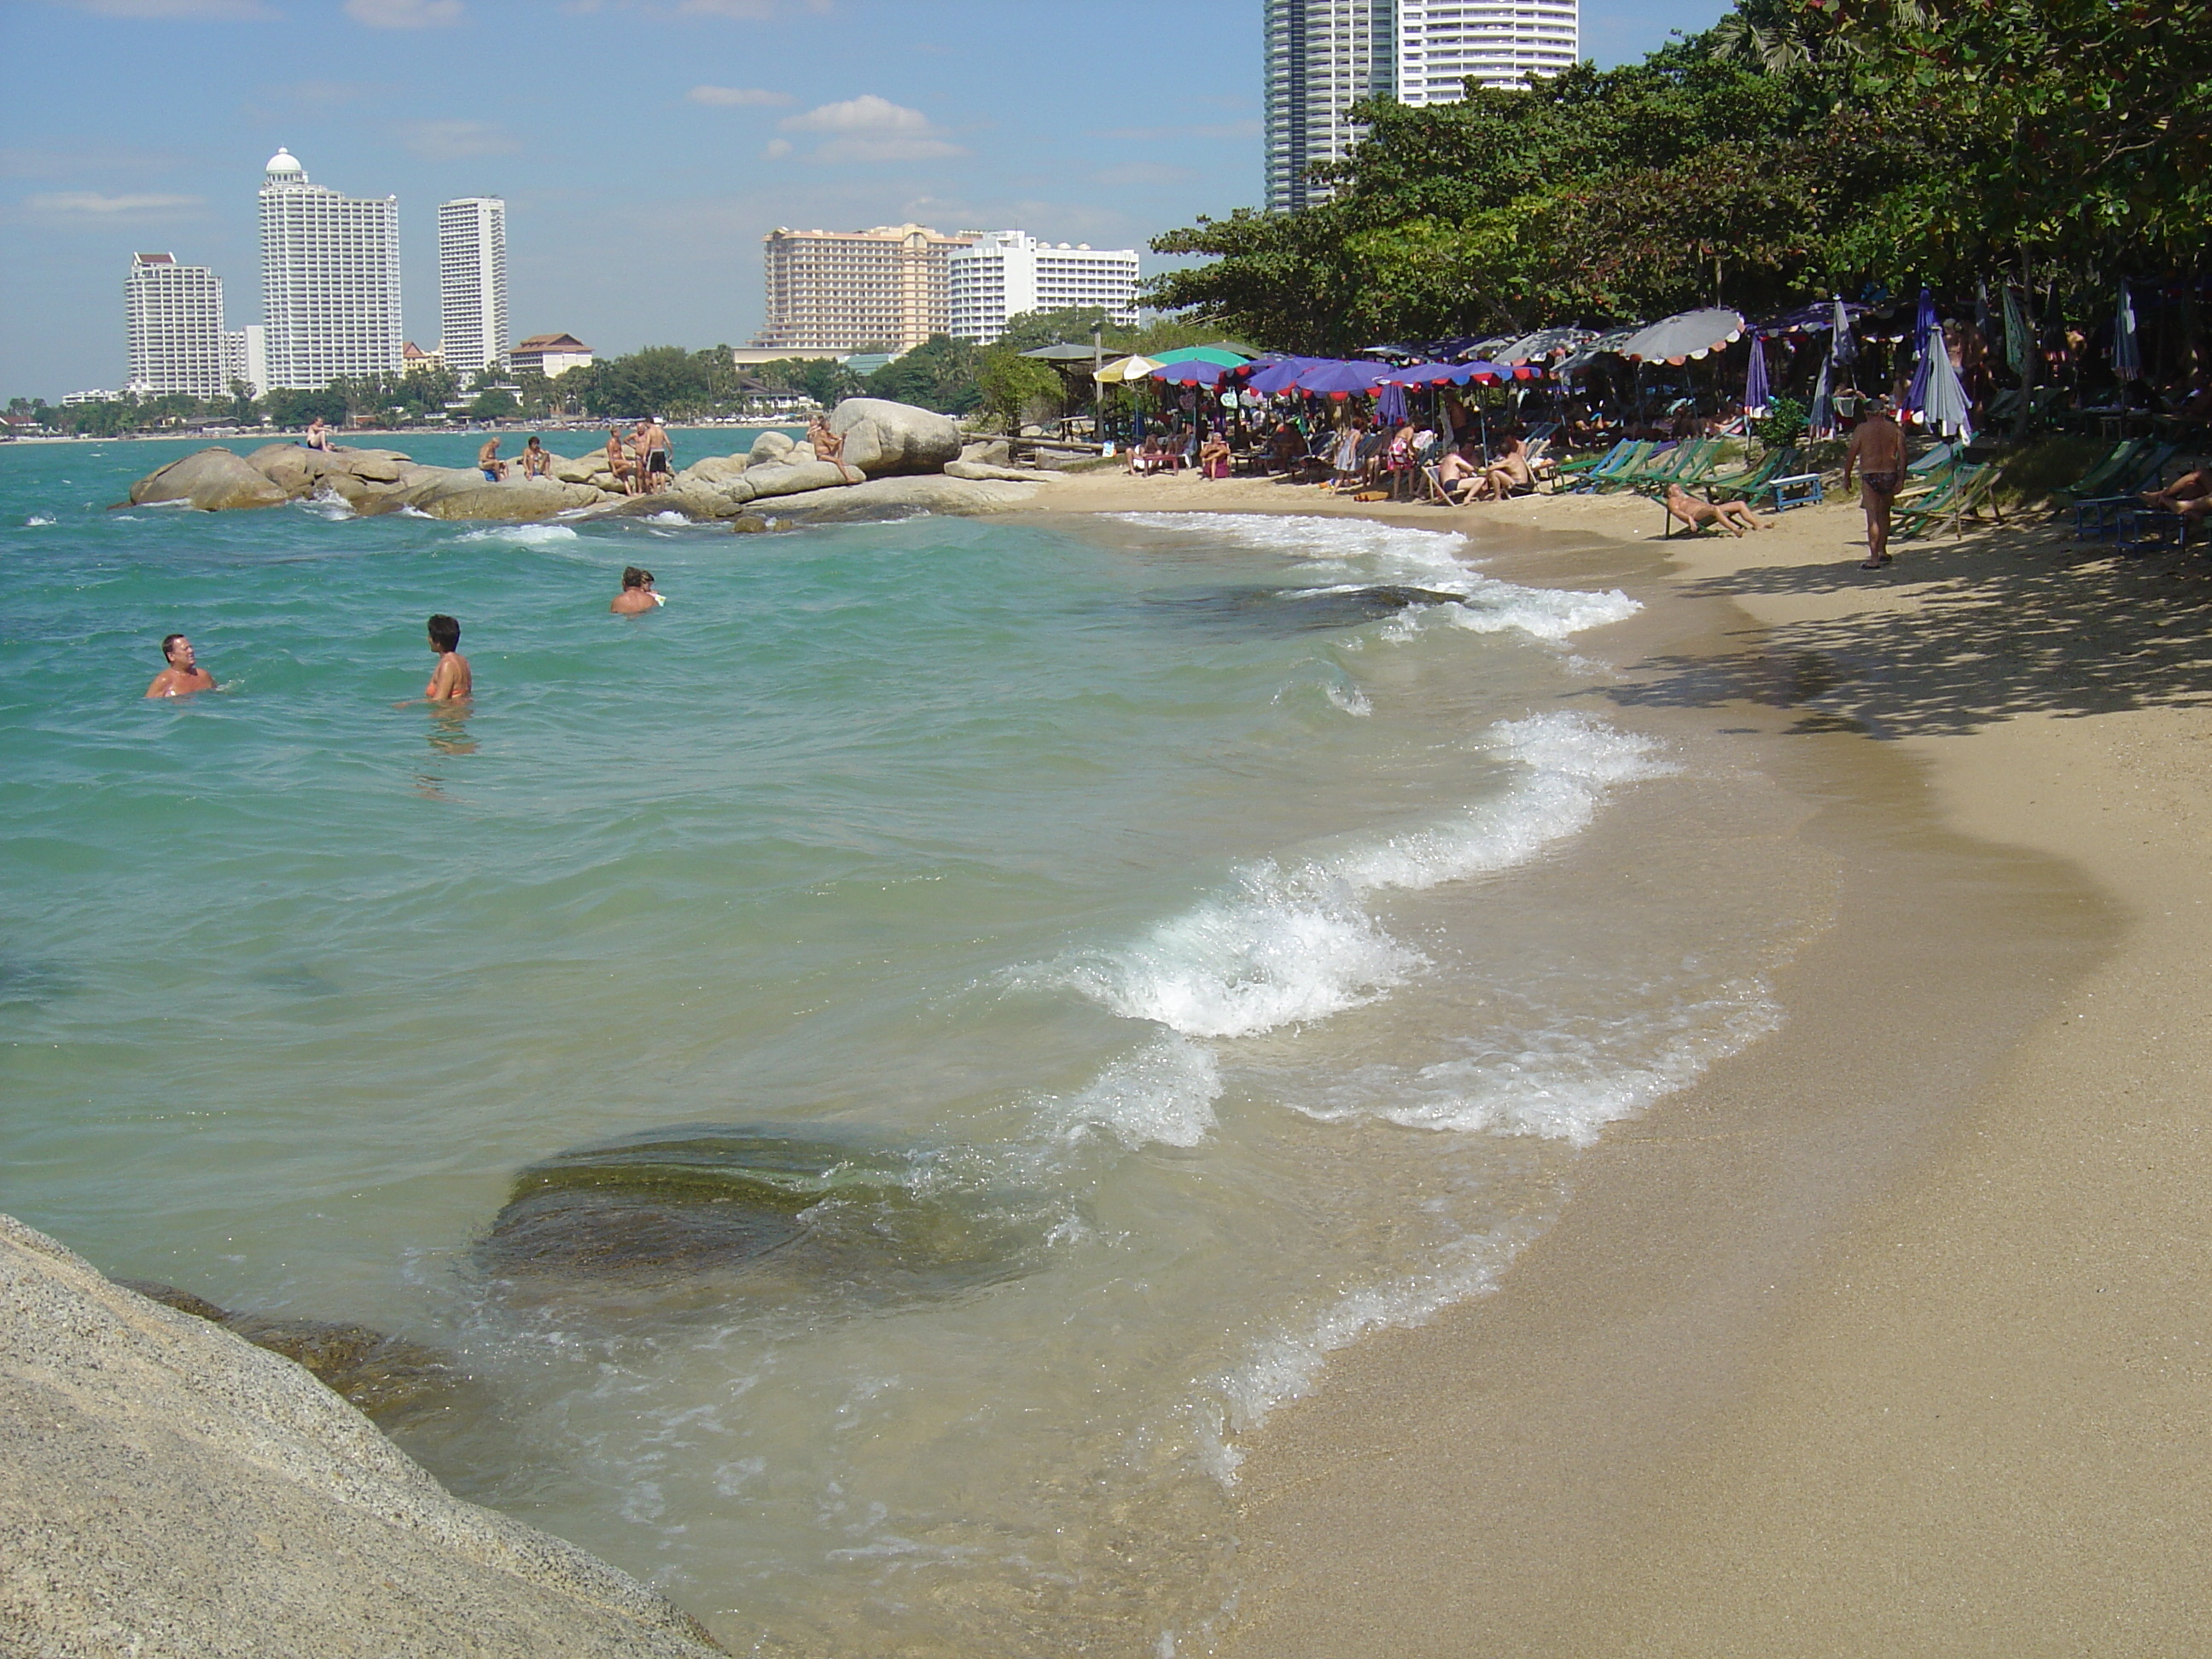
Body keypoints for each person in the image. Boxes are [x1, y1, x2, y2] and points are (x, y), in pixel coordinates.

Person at [1842, 394, 1907, 568]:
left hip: (1870, 474)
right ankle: (1883, 551)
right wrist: (1901, 478)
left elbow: (1852, 454)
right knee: (1885, 513)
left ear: (1866, 413)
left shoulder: (1862, 429)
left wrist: (1846, 476)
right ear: (1884, 412)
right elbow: (1903, 456)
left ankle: (1874, 558)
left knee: (1872, 516)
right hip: (1889, 473)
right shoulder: (1894, 429)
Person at [1663, 481, 1768, 537]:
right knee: (1714, 509)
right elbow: (1675, 511)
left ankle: (1757, 525)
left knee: (1740, 504)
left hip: (1708, 509)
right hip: (1697, 515)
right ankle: (1735, 530)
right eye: (1676, 489)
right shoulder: (1673, 500)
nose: (1680, 489)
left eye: (1679, 487)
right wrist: (1689, 518)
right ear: (1670, 493)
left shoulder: (1685, 496)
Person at [144, 632, 216, 699]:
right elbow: (149, 706)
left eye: (190, 647)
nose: (191, 651)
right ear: (171, 656)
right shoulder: (163, 681)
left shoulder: (203, 675)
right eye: (185, 649)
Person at [423, 614, 472, 702]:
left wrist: (409, 704)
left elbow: (440, 700)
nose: (428, 639)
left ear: (438, 642)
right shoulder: (463, 661)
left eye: (430, 636)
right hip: (461, 714)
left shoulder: (447, 664)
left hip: (448, 714)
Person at [1476, 433, 1534, 500]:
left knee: (1494, 473)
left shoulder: (1507, 461)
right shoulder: (1517, 456)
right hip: (1528, 485)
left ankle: (1497, 496)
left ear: (1501, 454)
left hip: (1519, 487)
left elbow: (1490, 469)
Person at [807, 414, 861, 482]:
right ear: (824, 426)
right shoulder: (822, 434)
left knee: (840, 442)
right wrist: (839, 440)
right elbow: (831, 444)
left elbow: (838, 438)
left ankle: (840, 459)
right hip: (822, 456)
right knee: (837, 460)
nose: (830, 426)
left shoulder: (828, 434)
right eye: (828, 425)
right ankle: (848, 478)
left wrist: (842, 437)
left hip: (828, 453)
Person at [1435, 439, 1483, 504]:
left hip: (1447, 484)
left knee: (1470, 479)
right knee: (1481, 480)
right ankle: (1467, 498)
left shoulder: (1446, 459)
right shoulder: (1455, 458)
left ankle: (1476, 497)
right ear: (1457, 450)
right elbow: (1470, 468)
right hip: (1452, 484)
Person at [640, 416, 673, 490]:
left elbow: (647, 444)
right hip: (661, 451)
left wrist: (644, 456)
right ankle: (662, 490)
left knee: (653, 472)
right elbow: (668, 442)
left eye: (646, 425)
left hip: (653, 451)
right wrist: (671, 453)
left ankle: (655, 491)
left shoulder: (649, 432)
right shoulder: (661, 431)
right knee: (662, 472)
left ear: (648, 423)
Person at [605, 427, 637, 495]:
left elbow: (621, 452)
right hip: (615, 460)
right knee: (630, 464)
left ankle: (630, 493)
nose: (620, 433)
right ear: (614, 433)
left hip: (620, 460)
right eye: (619, 432)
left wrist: (624, 460)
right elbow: (610, 456)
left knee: (625, 477)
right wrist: (614, 469)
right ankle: (616, 472)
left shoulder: (618, 441)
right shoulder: (611, 443)